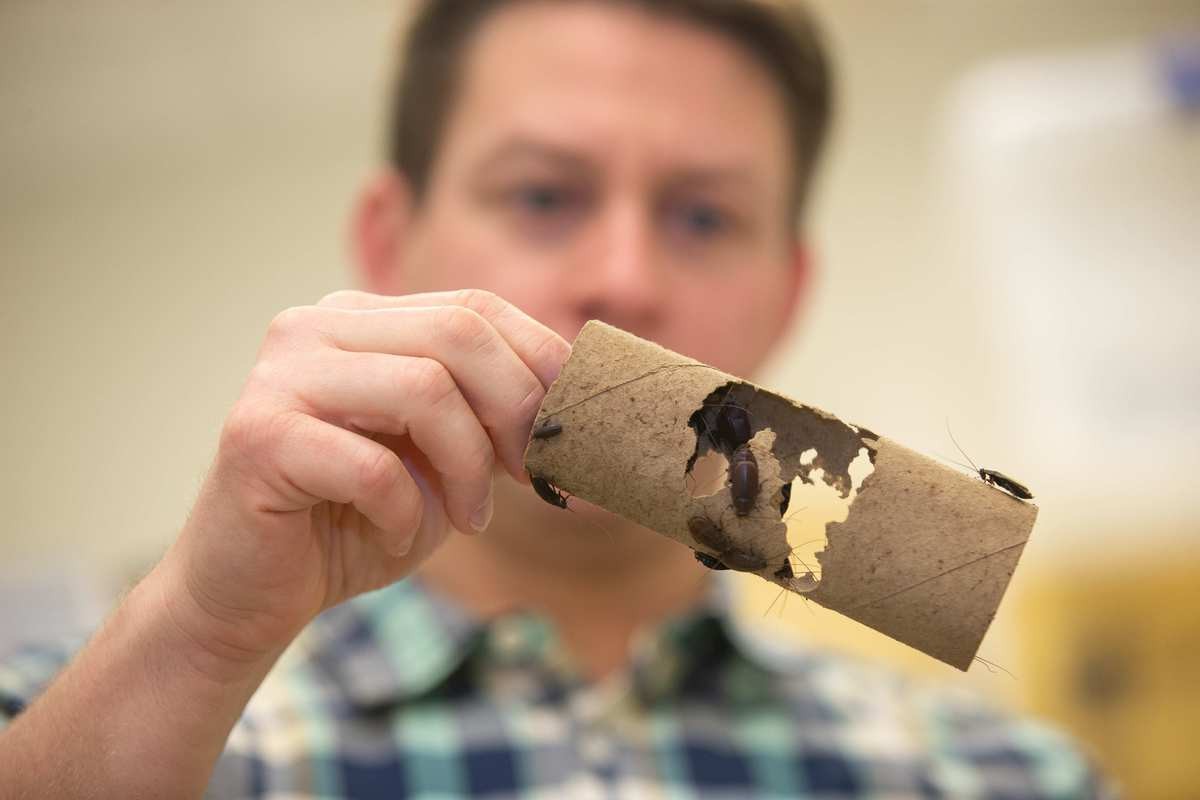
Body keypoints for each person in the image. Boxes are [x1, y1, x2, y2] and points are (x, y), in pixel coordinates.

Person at [0, 1, 1113, 797]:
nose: (623, 276)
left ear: (786, 294)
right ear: (393, 245)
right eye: (542, 194)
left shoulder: (1010, 776)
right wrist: (196, 634)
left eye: (703, 215)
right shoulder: (69, 725)